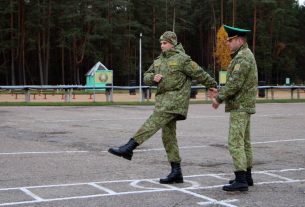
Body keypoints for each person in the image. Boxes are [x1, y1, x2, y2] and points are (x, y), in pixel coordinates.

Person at [108, 31, 217, 184]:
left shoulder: (183, 59)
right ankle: (176, 171)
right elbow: (146, 75)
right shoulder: (159, 60)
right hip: (162, 100)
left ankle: (129, 147)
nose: (162, 45)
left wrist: (212, 85)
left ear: (172, 43)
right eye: (160, 43)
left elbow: (200, 73)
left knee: (153, 122)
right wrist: (153, 78)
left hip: (175, 101)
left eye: (164, 43)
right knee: (168, 136)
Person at [208, 25, 258, 192]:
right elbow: (236, 83)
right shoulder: (243, 55)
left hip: (240, 106)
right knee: (244, 142)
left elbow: (235, 84)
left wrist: (218, 98)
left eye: (230, 40)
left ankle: (241, 179)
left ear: (239, 40)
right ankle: (247, 176)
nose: (227, 43)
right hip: (243, 105)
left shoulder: (243, 57)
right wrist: (221, 91)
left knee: (235, 142)